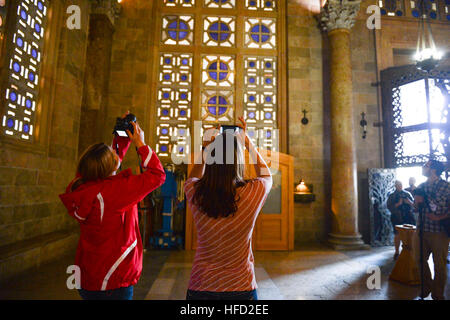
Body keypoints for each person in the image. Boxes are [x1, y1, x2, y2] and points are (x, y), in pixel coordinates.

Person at [59, 113, 166, 300]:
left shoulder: (80, 186)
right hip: (113, 279)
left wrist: (122, 132)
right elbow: (157, 175)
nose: (117, 155)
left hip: (88, 275)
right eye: (113, 155)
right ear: (108, 169)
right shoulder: (113, 194)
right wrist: (140, 143)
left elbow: (110, 164)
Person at [184, 117, 272, 300]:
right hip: (241, 286)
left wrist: (205, 148)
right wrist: (247, 143)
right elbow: (267, 176)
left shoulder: (196, 193)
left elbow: (191, 179)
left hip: (202, 285)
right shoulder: (252, 193)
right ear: (238, 162)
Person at [414, 160, 450, 300]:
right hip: (422, 229)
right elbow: (416, 209)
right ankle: (427, 286)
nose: (423, 168)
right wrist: (416, 204)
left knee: (439, 265)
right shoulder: (421, 186)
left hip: (439, 232)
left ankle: (437, 293)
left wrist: (439, 216)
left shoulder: (446, 187)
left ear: (433, 169)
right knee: (418, 260)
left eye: (426, 166)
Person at [387, 180, 415, 260]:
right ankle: (397, 252)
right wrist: (398, 204)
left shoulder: (407, 194)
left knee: (410, 234)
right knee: (397, 234)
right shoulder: (392, 195)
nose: (400, 186)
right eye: (398, 185)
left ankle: (409, 250)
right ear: (395, 186)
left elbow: (414, 205)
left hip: (408, 216)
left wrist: (409, 202)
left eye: (401, 184)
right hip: (397, 217)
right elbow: (389, 206)